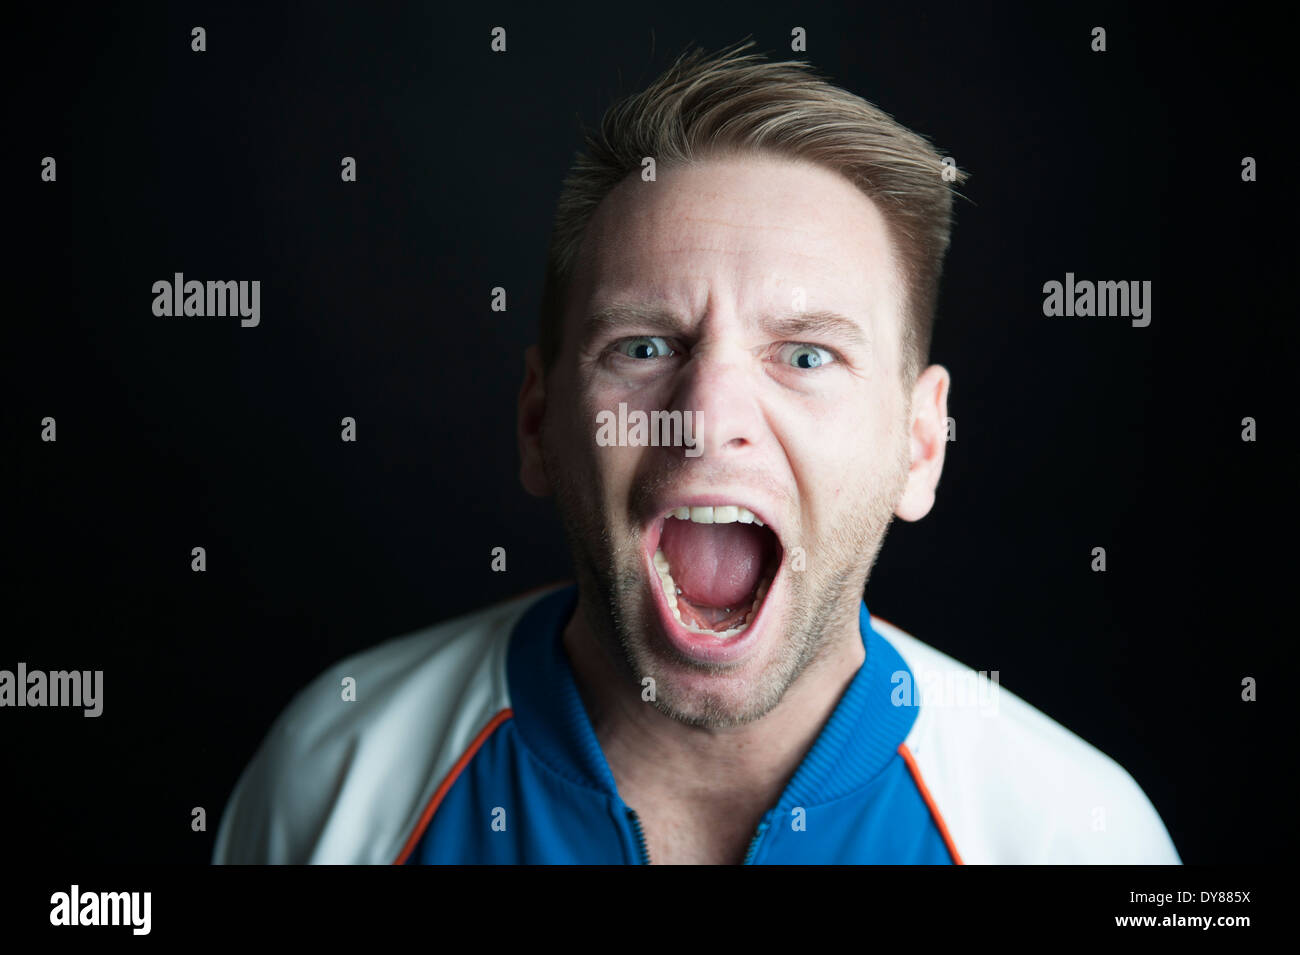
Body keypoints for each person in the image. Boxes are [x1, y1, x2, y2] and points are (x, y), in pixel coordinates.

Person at [213, 40, 1180, 865]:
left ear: (920, 445)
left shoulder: (1074, 835)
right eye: (644, 347)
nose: (706, 419)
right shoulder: (334, 781)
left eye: (806, 353)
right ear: (538, 425)